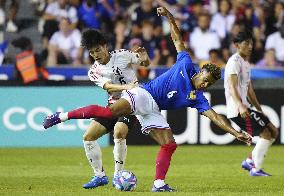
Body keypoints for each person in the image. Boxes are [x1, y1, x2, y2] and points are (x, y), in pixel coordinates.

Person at [43, 7, 251, 192]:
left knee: (169, 145)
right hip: (142, 94)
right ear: (201, 71)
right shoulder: (186, 63)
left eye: (209, 84)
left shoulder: (197, 98)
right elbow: (177, 39)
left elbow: (215, 116)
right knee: (109, 114)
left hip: (152, 109)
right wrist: (169, 16)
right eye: (205, 79)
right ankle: (62, 116)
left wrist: (236, 132)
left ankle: (158, 184)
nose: (205, 85)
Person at [52, 28, 150, 189]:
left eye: (98, 50)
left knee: (119, 131)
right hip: (113, 106)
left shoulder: (123, 54)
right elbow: (109, 87)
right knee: (88, 136)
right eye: (92, 53)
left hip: (132, 103)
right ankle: (99, 175)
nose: (96, 55)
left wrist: (145, 58)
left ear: (105, 46)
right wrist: (127, 85)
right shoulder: (93, 71)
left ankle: (118, 175)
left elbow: (144, 63)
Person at [224, 30, 279, 176]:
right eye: (247, 43)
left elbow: (249, 90)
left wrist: (258, 108)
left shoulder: (246, 63)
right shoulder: (234, 62)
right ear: (237, 45)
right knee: (266, 134)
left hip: (246, 106)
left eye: (251, 43)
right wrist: (241, 105)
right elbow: (232, 86)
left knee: (274, 131)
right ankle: (255, 169)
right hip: (237, 109)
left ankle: (250, 161)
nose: (250, 46)